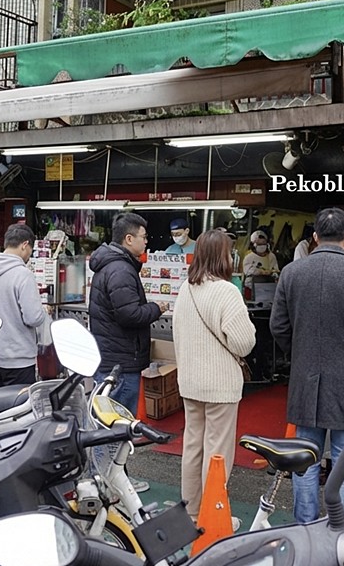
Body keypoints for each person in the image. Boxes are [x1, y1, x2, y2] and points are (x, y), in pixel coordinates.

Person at [270, 208, 344, 521]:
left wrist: (300, 354)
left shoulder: (292, 273)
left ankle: (305, 526)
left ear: (315, 237)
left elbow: (278, 326)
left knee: (304, 462)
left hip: (305, 380)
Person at [172, 229, 256, 520]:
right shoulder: (226, 291)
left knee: (193, 445)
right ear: (224, 256)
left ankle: (192, 511)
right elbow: (244, 342)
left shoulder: (186, 287)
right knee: (217, 451)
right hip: (219, 383)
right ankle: (213, 514)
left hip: (190, 380)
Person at [88, 212, 167, 414]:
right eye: (144, 237)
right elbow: (129, 315)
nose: (147, 241)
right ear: (129, 239)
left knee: (107, 421)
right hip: (120, 363)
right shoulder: (120, 270)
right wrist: (156, 308)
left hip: (113, 357)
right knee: (116, 425)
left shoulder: (114, 265)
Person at [0, 223, 49, 388]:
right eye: (31, 249)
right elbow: (33, 317)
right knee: (19, 410)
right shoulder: (23, 275)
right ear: (24, 245)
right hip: (19, 359)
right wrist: (43, 311)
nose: (30, 254)